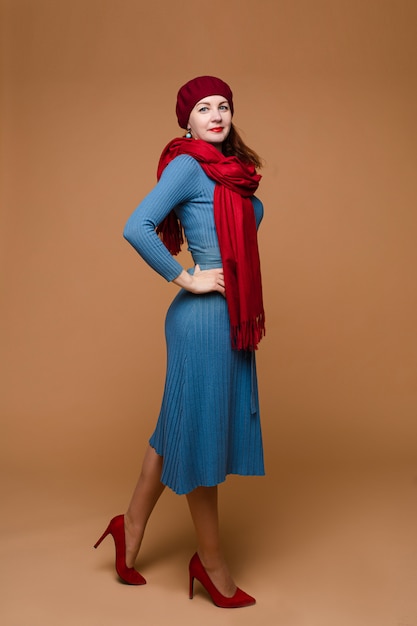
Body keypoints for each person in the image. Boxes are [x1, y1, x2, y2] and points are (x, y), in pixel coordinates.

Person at [94, 75, 266, 609]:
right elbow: (137, 226)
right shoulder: (190, 166)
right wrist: (186, 276)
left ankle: (131, 527)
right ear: (186, 120)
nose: (216, 115)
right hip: (201, 319)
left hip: (229, 317)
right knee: (202, 438)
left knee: (178, 426)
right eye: (204, 108)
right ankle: (211, 564)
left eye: (225, 107)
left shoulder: (236, 174)